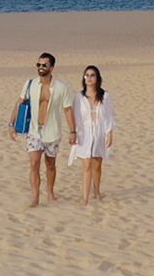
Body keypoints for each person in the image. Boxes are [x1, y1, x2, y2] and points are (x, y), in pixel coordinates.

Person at [8, 52, 76, 207]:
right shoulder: (30, 84)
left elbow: (67, 110)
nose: (40, 67)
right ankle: (35, 197)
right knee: (34, 163)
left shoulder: (61, 88)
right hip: (34, 131)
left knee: (50, 165)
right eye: (38, 64)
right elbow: (19, 103)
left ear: (51, 68)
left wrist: (73, 131)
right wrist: (11, 124)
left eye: (44, 65)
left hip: (52, 132)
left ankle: (50, 191)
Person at [70, 65, 114, 206]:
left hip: (99, 132)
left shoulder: (105, 96)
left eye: (92, 75)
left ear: (97, 78)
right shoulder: (79, 96)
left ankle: (97, 191)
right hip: (84, 133)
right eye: (87, 75)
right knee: (86, 165)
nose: (89, 78)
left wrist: (109, 132)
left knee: (97, 165)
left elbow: (108, 115)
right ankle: (85, 197)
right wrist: (74, 132)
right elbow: (75, 115)